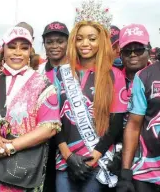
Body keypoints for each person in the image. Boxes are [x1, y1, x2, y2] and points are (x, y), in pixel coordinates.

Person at [0, 26, 61, 192]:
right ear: (3, 49)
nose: (17, 52)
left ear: (30, 52)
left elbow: (50, 127)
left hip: (21, 169)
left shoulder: (43, 85)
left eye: (24, 48)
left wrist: (9, 147)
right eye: (12, 47)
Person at [54, 2, 127, 191]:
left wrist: (95, 155)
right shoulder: (60, 74)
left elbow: (116, 122)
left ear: (101, 41)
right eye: (79, 39)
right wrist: (68, 155)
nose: (85, 44)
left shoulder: (114, 75)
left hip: (98, 160)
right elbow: (52, 118)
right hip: (64, 160)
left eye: (92, 38)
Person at [117, 24, 160, 192]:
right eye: (127, 51)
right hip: (142, 169)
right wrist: (125, 172)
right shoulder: (112, 79)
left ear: (148, 49)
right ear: (120, 53)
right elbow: (133, 126)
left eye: (138, 50)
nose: (133, 55)